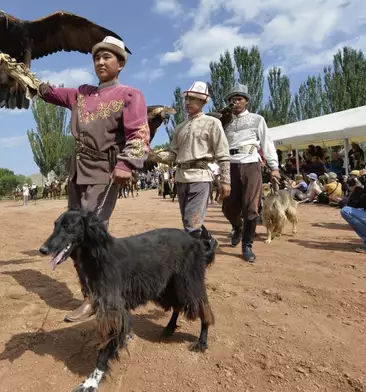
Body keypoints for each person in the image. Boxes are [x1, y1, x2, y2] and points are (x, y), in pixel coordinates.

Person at [33, 35, 150, 322]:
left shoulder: (130, 94)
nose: (99, 61)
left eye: (107, 57)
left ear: (120, 64)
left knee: (93, 237)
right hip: (77, 172)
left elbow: (139, 134)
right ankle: (90, 296)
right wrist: (29, 80)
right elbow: (50, 93)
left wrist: (126, 163)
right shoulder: (81, 94)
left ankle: (102, 296)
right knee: (73, 237)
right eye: (96, 57)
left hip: (104, 174)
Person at [153, 81, 231, 249]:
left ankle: (193, 261)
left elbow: (223, 154)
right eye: (187, 99)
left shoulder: (212, 123)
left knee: (192, 224)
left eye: (194, 99)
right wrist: (152, 155)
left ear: (203, 102)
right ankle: (209, 241)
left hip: (201, 177)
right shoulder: (180, 127)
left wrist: (225, 180)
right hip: (181, 177)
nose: (188, 103)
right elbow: (172, 155)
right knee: (189, 220)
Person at [221, 84, 280, 262]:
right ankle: (237, 227)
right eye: (232, 99)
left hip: (251, 163)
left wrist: (274, 167)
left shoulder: (257, 119)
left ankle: (247, 245)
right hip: (229, 164)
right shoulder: (225, 121)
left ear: (246, 101)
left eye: (239, 98)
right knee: (228, 207)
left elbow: (267, 143)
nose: (236, 102)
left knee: (251, 207)